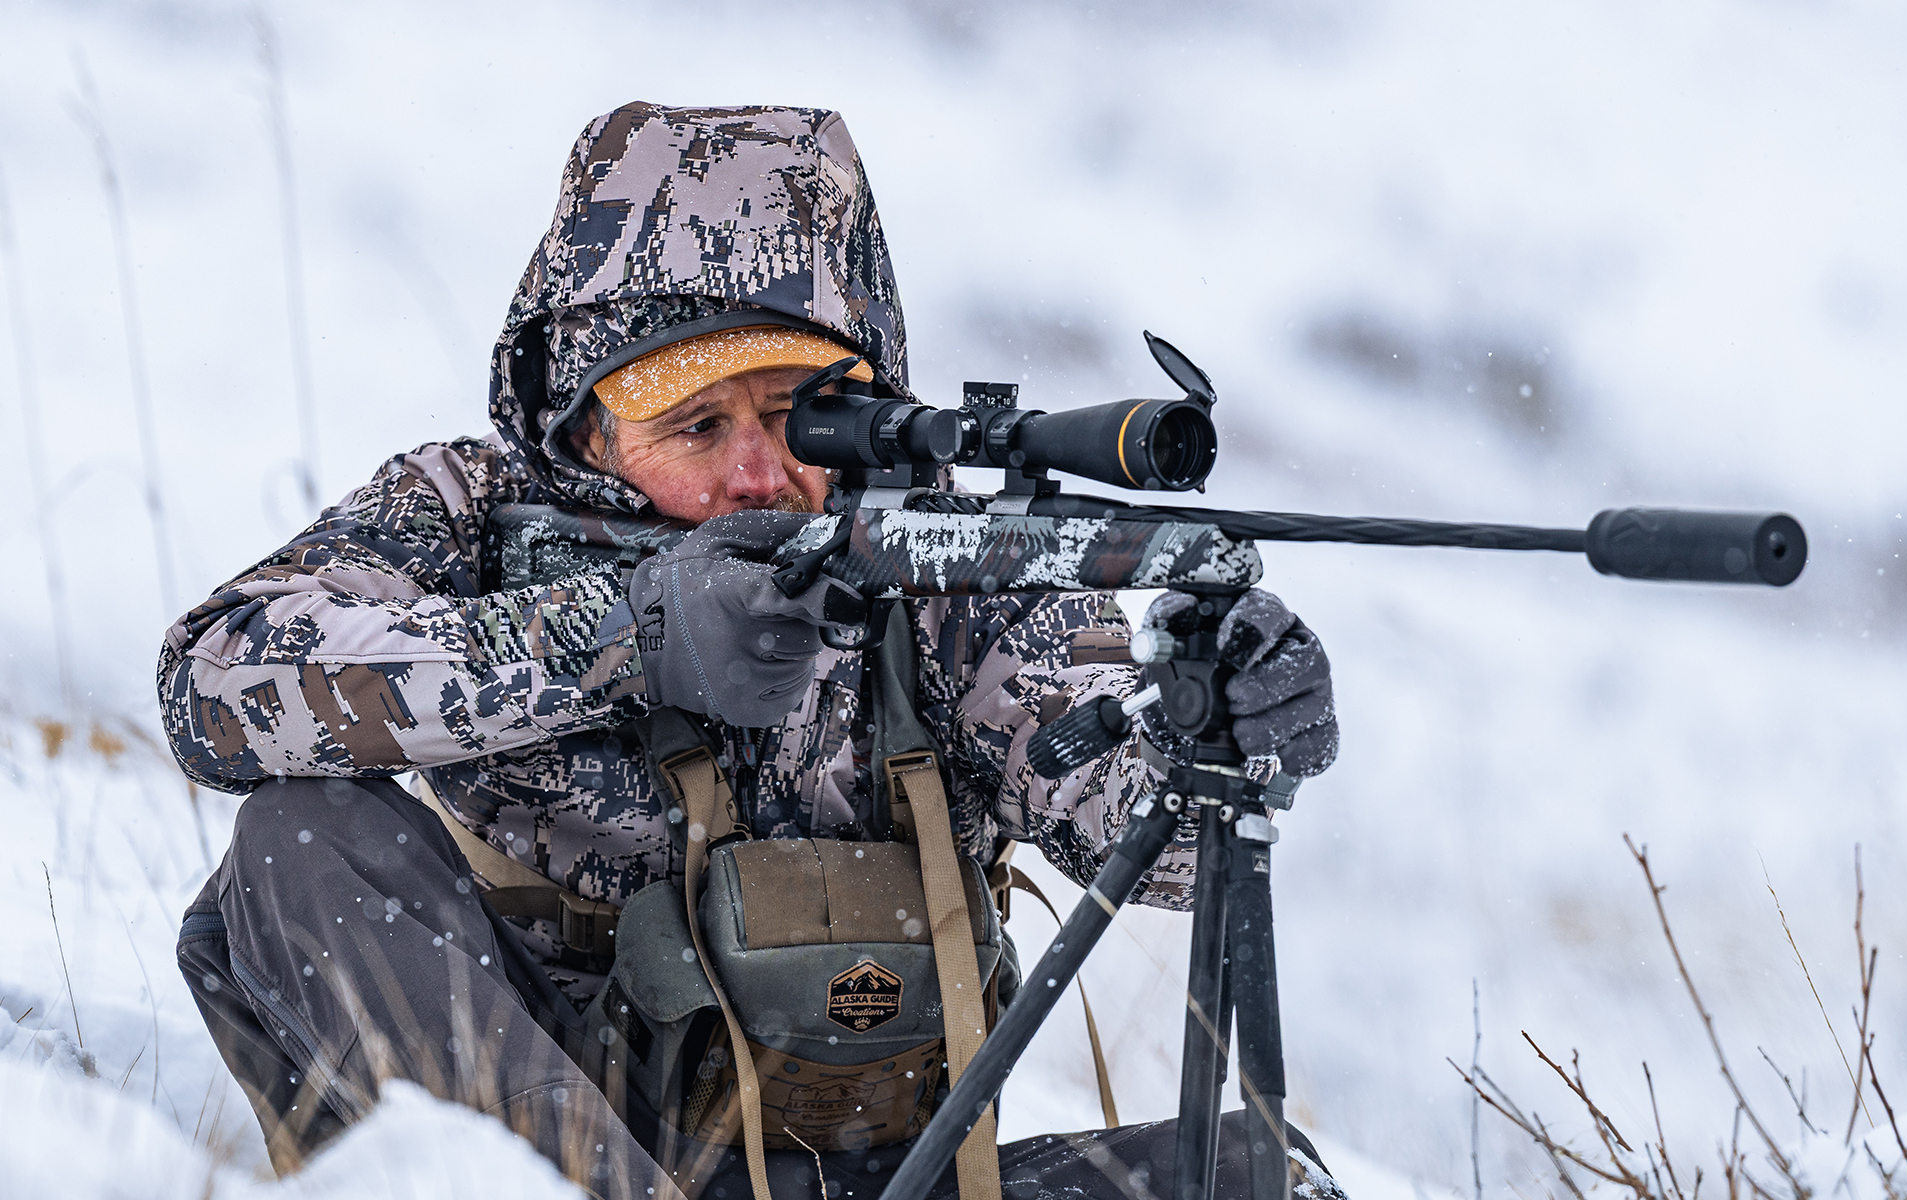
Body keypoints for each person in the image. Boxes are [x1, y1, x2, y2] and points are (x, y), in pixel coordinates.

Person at [162, 103, 1343, 1200]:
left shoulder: (932, 562)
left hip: (898, 1169)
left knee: (1254, 1172)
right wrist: (623, 638)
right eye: (697, 424)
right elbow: (213, 685)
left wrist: (1223, 733)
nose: (757, 477)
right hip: (562, 1158)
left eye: (799, 418)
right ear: (583, 428)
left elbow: (1160, 845)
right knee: (298, 843)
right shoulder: (468, 509)